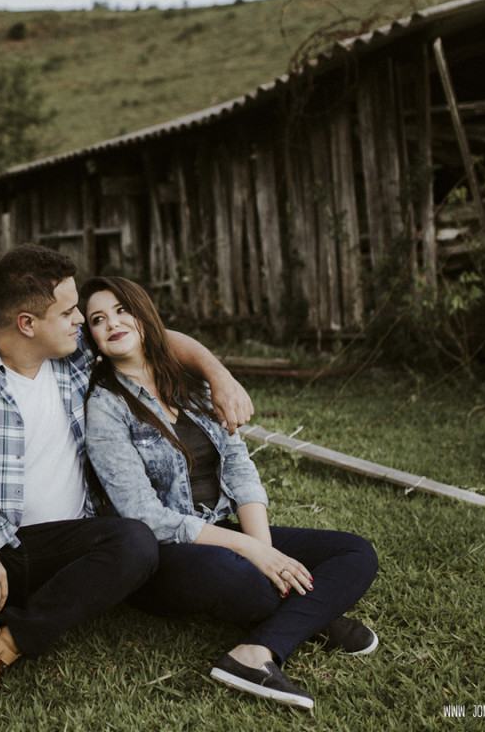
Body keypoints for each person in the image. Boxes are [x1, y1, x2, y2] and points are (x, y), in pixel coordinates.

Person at [0, 245, 255, 732]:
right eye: (68, 313)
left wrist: (219, 373)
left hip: (63, 550)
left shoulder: (73, 354)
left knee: (134, 540)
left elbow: (162, 340)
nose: (80, 322)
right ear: (27, 323)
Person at [81, 275, 379, 711]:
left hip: (221, 528)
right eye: (97, 320)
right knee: (247, 581)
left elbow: (239, 466)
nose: (113, 323)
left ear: (144, 315)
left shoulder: (191, 382)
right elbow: (145, 515)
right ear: (91, 337)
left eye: (122, 310)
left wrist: (264, 546)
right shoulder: (105, 406)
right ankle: (315, 616)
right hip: (165, 555)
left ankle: (254, 653)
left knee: (356, 553)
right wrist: (253, 553)